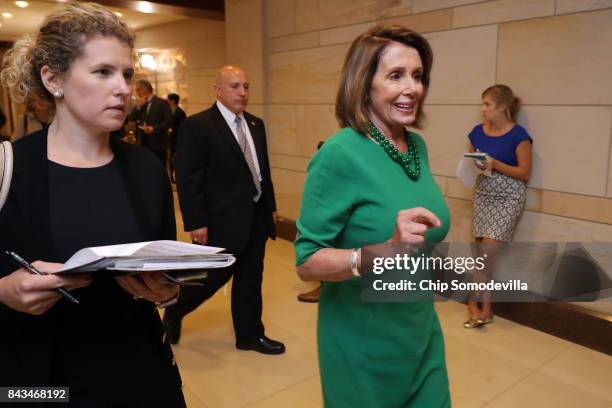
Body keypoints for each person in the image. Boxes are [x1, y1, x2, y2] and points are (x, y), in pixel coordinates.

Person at [0, 3, 185, 406]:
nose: (122, 88)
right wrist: (3, 290)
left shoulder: (146, 168)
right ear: (53, 79)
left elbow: (166, 267)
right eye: (103, 72)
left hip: (142, 375)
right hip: (40, 382)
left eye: (127, 74)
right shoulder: (9, 167)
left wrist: (166, 293)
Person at [294, 24, 451, 407]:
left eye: (418, 76)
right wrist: (385, 251)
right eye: (395, 75)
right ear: (364, 84)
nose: (411, 88)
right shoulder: (339, 153)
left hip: (420, 332)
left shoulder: (416, 146)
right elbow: (306, 262)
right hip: (361, 345)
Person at [164, 65, 284, 355]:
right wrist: (195, 221)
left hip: (255, 216)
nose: (242, 92)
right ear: (218, 90)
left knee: (251, 277)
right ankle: (176, 309)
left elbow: (262, 170)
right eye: (234, 86)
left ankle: (250, 336)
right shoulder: (198, 126)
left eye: (246, 86)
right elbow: (189, 177)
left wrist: (270, 207)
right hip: (220, 220)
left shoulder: (256, 124)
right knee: (211, 279)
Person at [464, 84, 532, 329]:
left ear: (502, 107)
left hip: (508, 197)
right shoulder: (476, 132)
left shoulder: (519, 135)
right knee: (484, 257)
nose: (482, 109)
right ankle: (487, 308)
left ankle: (473, 302)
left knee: (486, 254)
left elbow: (525, 173)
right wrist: (479, 165)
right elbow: (472, 162)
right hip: (483, 194)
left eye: (487, 104)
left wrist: (496, 163)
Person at [129, 79, 172, 165]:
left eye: (138, 90)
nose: (137, 93)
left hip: (158, 143)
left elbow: (169, 121)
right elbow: (132, 118)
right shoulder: (140, 103)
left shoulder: (162, 102)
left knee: (158, 167)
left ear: (145, 89)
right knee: (145, 167)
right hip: (142, 142)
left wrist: (154, 128)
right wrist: (138, 107)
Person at [167, 93, 186, 182]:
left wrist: (172, 128)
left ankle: (177, 179)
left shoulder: (180, 113)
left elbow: (183, 127)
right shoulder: (168, 111)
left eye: (168, 100)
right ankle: (172, 180)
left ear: (172, 101)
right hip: (169, 141)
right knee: (169, 160)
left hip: (177, 140)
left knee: (176, 160)